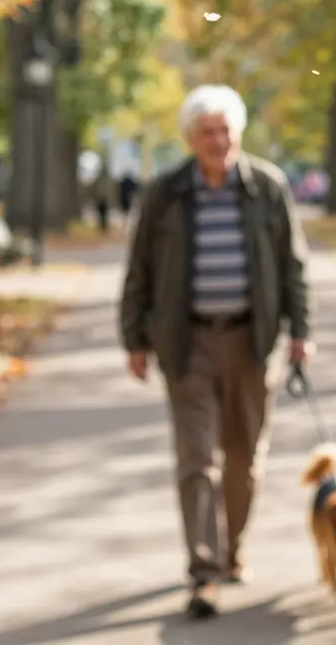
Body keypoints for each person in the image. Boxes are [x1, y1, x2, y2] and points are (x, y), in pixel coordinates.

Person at [119, 84, 312, 619]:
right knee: (197, 461)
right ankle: (203, 573)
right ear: (190, 137)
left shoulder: (267, 188)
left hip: (253, 341)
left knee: (244, 460)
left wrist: (302, 332)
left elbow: (293, 265)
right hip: (188, 342)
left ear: (238, 133)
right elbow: (139, 272)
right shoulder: (165, 193)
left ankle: (232, 549)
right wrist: (134, 338)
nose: (218, 140)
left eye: (225, 130)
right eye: (207, 131)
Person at [91, 165, 114, 234]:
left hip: (105, 199)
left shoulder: (107, 180)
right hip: (100, 199)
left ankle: (104, 227)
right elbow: (94, 190)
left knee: (105, 214)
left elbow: (111, 191)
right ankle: (101, 226)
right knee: (100, 214)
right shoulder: (99, 180)